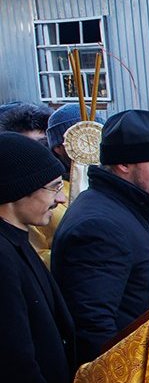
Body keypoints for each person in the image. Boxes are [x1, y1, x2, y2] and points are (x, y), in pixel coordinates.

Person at [52, 109, 149, 361]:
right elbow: (94, 328)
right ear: (124, 164)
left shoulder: (137, 208)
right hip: (125, 376)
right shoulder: (98, 225)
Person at [0, 133, 76, 383]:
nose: (60, 199)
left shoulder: (17, 241)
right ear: (18, 190)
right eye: (53, 187)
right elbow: (15, 361)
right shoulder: (2, 255)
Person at [29, 102, 84, 268]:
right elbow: (35, 254)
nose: (91, 148)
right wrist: (83, 255)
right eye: (82, 140)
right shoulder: (40, 190)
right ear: (59, 147)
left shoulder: (114, 181)